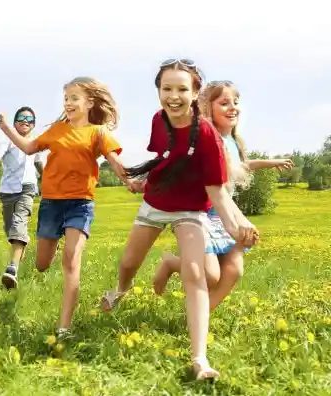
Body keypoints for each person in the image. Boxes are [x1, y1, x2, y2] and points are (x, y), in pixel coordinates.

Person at [99, 59, 259, 380]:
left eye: (182, 89)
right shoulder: (159, 120)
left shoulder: (208, 137)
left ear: (195, 92)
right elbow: (165, 156)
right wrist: (144, 178)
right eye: (166, 88)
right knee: (129, 262)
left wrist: (235, 224)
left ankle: (200, 359)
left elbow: (217, 192)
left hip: (190, 210)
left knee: (196, 273)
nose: (174, 95)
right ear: (158, 90)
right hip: (155, 203)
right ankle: (120, 289)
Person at [0, 76, 133, 338]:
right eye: (66, 99)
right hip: (51, 204)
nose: (68, 103)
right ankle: (56, 240)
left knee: (71, 261)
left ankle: (64, 328)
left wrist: (130, 181)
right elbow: (28, 147)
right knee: (42, 264)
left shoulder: (98, 133)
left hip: (80, 204)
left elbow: (115, 162)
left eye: (74, 98)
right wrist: (6, 128)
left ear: (89, 102)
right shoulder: (57, 129)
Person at [152, 80, 294, 310]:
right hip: (201, 211)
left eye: (235, 102)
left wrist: (271, 162)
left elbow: (242, 165)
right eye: (224, 103)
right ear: (208, 107)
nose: (233, 107)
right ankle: (171, 263)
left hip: (224, 211)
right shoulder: (207, 138)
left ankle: (197, 319)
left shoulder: (233, 142)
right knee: (209, 275)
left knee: (234, 269)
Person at [0, 106, 44, 289]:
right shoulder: (7, 139)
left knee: (19, 224)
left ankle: (12, 268)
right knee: (11, 231)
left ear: (34, 125)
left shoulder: (35, 142)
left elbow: (38, 162)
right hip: (8, 190)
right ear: (14, 122)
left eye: (30, 119)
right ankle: (15, 263)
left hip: (28, 188)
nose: (26, 121)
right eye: (22, 118)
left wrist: (47, 180)